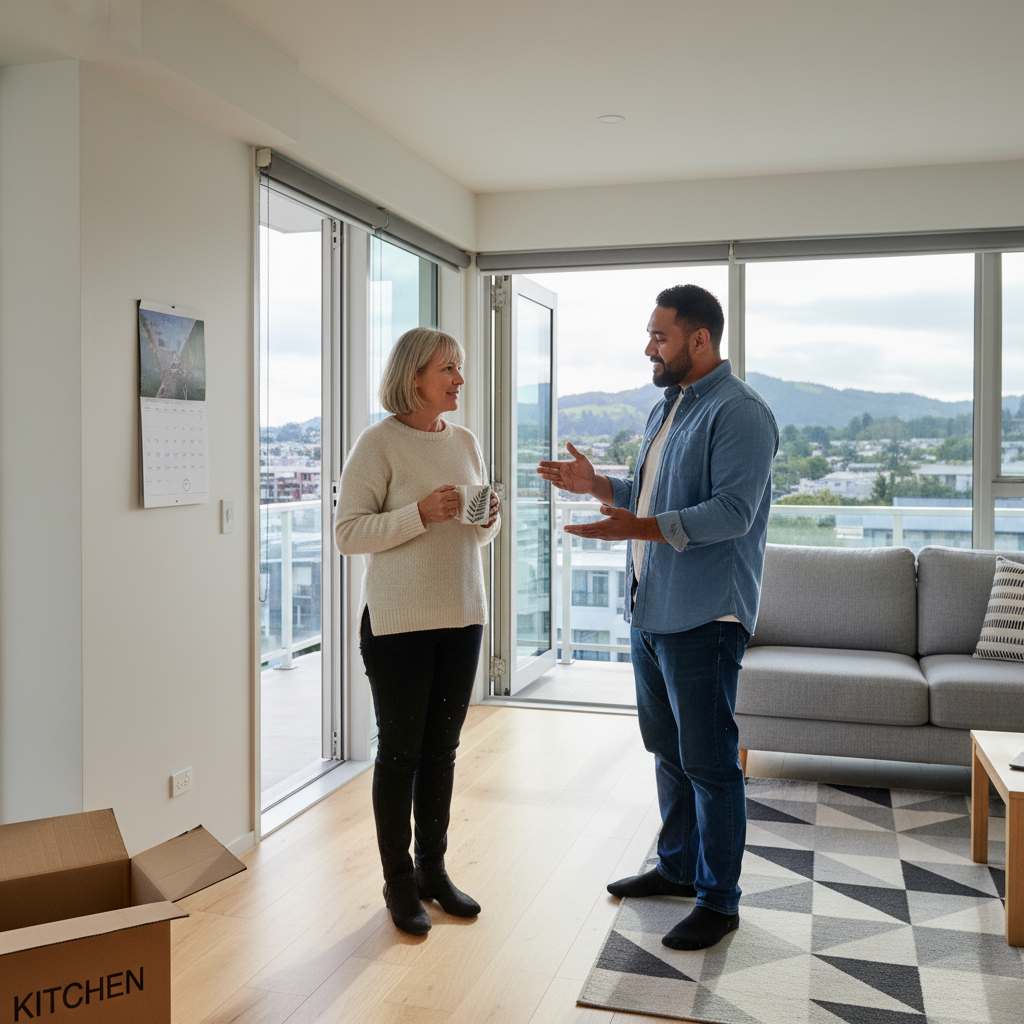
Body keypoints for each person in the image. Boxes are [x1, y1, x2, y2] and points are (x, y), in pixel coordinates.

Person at [538, 284, 777, 950]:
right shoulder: (668, 406)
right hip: (653, 608)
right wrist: (597, 487)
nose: (649, 347)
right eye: (649, 334)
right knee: (668, 750)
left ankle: (719, 902)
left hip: (706, 614)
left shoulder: (741, 412)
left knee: (710, 763)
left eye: (659, 336)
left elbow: (733, 512)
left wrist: (637, 527)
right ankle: (676, 868)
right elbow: (651, 495)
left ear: (700, 339)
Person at [335, 327, 500, 936]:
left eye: (458, 366)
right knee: (400, 754)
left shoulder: (465, 440)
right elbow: (347, 533)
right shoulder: (378, 444)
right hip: (399, 625)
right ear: (414, 378)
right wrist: (418, 514)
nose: (459, 378)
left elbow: (477, 533)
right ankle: (398, 883)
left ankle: (433, 872)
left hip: (462, 616)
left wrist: (489, 518)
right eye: (448, 368)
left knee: (441, 753)